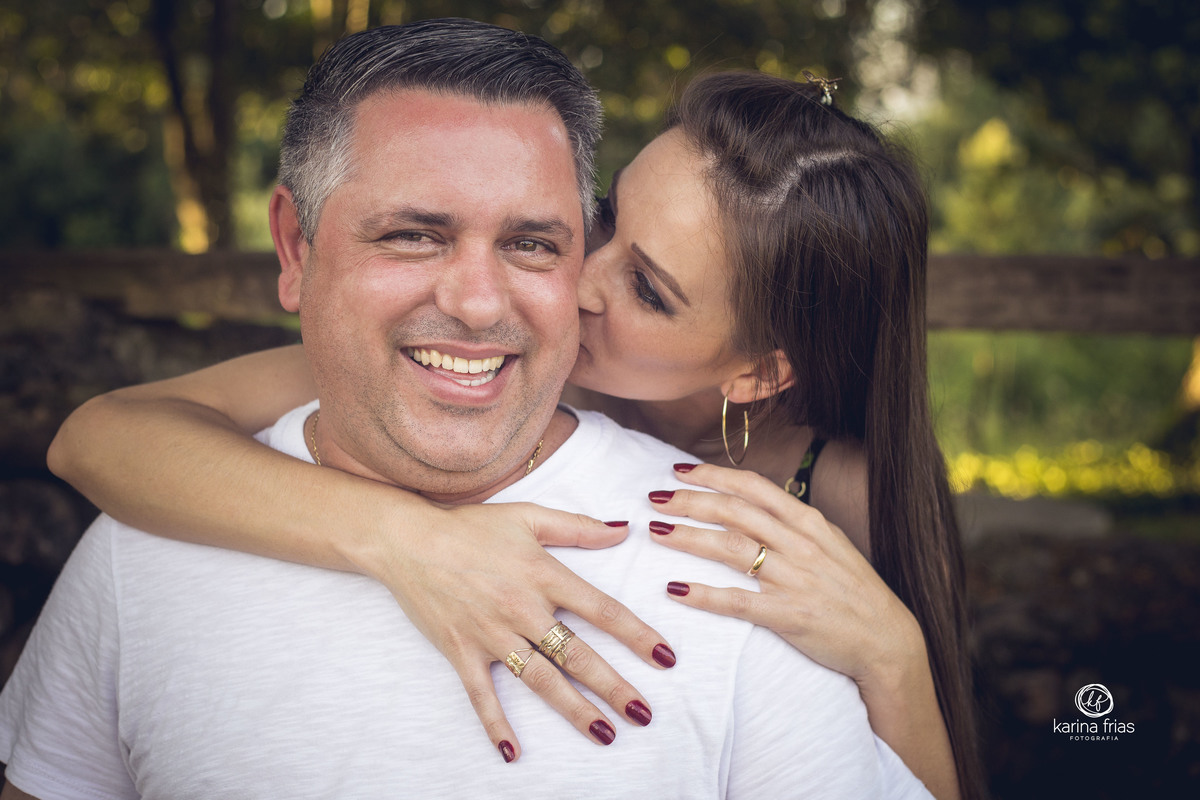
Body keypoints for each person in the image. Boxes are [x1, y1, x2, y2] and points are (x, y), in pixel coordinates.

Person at [0, 18, 935, 799]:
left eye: (647, 289)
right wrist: (410, 540)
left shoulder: (801, 535)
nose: (565, 286)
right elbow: (100, 437)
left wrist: (898, 659)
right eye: (595, 227)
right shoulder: (166, 531)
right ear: (297, 246)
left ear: (755, 376)